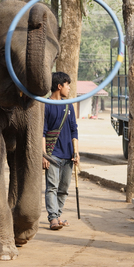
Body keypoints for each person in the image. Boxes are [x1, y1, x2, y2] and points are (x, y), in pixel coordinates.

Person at [43, 72, 79, 230]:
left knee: (63, 189)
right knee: (52, 186)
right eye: (67, 84)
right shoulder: (45, 105)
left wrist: (76, 152)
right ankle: (53, 219)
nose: (69, 87)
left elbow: (74, 131)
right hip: (52, 155)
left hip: (68, 155)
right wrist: (44, 155)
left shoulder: (69, 105)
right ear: (59, 86)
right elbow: (42, 133)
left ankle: (58, 214)